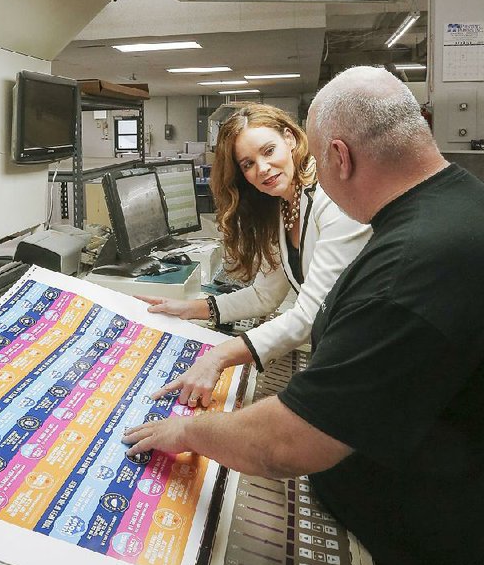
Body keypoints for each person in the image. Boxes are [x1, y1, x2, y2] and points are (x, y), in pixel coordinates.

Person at [124, 67, 484, 565]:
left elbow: (292, 443)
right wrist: (203, 316)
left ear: (333, 155)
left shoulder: (419, 261)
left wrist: (188, 430)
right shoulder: (449, 210)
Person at [140, 103, 371, 408]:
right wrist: (190, 308)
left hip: (370, 357)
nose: (261, 168)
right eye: (248, 164)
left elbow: (310, 315)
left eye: (268, 150)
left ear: (290, 139)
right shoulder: (285, 204)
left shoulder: (332, 199)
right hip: (339, 351)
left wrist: (219, 356)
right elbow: (265, 295)